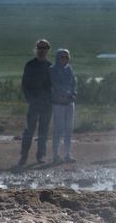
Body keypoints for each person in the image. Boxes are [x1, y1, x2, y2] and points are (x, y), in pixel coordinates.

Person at [18, 39, 53, 169]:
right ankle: (24, 156)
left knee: (43, 130)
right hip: (34, 102)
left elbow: (52, 85)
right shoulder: (30, 65)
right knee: (29, 130)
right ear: (36, 48)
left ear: (48, 50)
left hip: (47, 103)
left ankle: (41, 155)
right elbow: (24, 83)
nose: (42, 50)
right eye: (39, 47)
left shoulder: (50, 66)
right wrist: (30, 98)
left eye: (44, 48)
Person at [49, 48, 76, 163]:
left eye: (66, 57)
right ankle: (55, 155)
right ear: (57, 57)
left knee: (69, 129)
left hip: (69, 103)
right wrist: (66, 94)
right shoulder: (52, 69)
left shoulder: (69, 68)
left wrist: (74, 93)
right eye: (62, 57)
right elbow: (55, 84)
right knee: (58, 130)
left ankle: (67, 154)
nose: (64, 59)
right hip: (58, 103)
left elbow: (74, 82)